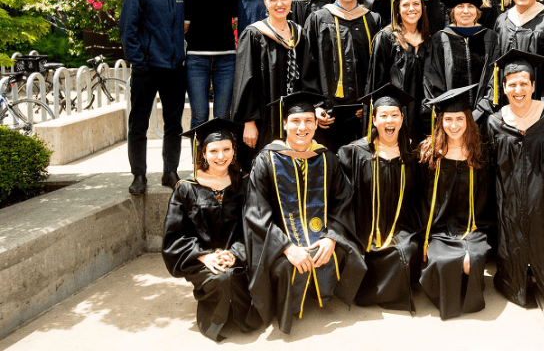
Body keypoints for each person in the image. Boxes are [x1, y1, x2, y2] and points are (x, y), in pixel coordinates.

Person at [243, 92, 366, 335]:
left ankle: (323, 289)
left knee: (342, 251)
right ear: (285, 124)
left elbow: (343, 202)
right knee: (287, 265)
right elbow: (256, 213)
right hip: (280, 241)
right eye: (296, 121)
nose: (303, 127)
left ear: (316, 123)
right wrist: (287, 248)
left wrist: (331, 237)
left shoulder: (327, 158)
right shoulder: (265, 160)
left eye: (309, 121)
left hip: (320, 235)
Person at [483, 49, 544, 307]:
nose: (519, 89)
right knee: (512, 239)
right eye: (512, 84)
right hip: (509, 203)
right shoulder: (494, 122)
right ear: (503, 87)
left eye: (524, 83)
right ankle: (514, 282)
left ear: (533, 85)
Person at [162, 119, 261, 341]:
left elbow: (253, 226)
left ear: (234, 151)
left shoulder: (244, 183)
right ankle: (216, 321)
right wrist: (204, 256)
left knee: (233, 274)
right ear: (203, 153)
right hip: (200, 260)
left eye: (227, 149)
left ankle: (240, 316)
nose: (221, 156)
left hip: (240, 255)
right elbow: (174, 237)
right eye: (214, 150)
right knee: (221, 278)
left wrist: (235, 253)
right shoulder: (186, 189)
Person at [338, 84, 421, 312]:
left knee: (407, 249)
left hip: (399, 225)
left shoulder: (411, 154)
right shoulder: (355, 152)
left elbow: (416, 198)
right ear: (373, 119)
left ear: (402, 119)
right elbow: (342, 196)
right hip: (364, 226)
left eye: (395, 115)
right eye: (383, 115)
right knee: (359, 251)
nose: (389, 120)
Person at [419, 85, 494, 319]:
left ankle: (462, 295)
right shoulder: (429, 154)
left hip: (472, 228)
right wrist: (424, 237)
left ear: (468, 120)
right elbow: (419, 199)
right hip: (439, 231)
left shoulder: (480, 153)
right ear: (440, 121)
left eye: (459, 118)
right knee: (446, 260)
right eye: (448, 119)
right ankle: (449, 298)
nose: (454, 125)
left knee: (470, 262)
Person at [120, 0, 187, 194]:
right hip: (147, 69)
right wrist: (140, 62)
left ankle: (170, 172)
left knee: (174, 124)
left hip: (174, 69)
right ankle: (139, 175)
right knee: (138, 124)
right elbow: (128, 29)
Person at [301, 0, 383, 151]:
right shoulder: (318, 19)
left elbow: (380, 67)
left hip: (362, 112)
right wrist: (316, 106)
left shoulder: (372, 20)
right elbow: (307, 65)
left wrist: (373, 103)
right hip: (328, 112)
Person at [231, 0, 303, 170]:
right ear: (265, 1)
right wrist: (248, 122)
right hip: (264, 120)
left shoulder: (299, 34)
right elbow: (245, 80)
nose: (279, 4)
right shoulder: (254, 34)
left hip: (294, 120)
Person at [365, 0, 431, 142]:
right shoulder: (386, 38)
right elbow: (377, 83)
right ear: (398, 9)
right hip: (395, 115)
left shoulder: (429, 40)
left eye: (416, 4)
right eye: (406, 5)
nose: (411, 9)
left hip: (423, 115)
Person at [423, 0, 500, 123]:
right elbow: (432, 80)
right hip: (451, 119)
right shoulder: (439, 39)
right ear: (453, 11)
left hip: (484, 117)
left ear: (477, 11)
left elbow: (495, 78)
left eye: (470, 6)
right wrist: (450, 111)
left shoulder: (491, 38)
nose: (465, 11)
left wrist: (479, 112)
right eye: (460, 6)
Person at [184, 0, 239, 129]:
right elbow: (184, 28)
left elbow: (241, 25)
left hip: (226, 60)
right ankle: (198, 159)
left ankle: (224, 158)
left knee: (223, 117)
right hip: (196, 61)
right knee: (199, 117)